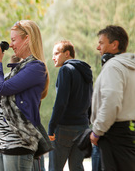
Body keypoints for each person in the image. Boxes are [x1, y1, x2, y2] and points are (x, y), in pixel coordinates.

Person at [0, 20, 50, 171]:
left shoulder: (36, 67)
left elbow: (1, 89)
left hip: (19, 141)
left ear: (27, 39)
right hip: (0, 141)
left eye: (13, 40)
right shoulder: (18, 68)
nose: (11, 45)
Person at [90, 25, 135, 171]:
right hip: (130, 129)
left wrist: (97, 131)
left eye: (101, 43)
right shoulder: (130, 66)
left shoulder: (113, 67)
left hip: (115, 132)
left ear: (114, 44)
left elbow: (111, 101)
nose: (98, 47)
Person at [48, 40, 93, 171]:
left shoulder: (66, 70)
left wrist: (51, 126)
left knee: (54, 168)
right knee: (77, 168)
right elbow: (91, 99)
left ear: (67, 53)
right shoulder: (86, 72)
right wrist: (87, 122)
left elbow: (61, 102)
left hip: (64, 128)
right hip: (83, 127)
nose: (53, 57)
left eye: (56, 53)